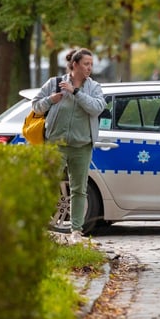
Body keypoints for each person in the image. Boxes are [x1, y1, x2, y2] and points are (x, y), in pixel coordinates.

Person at [31, 48, 106, 244]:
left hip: (82, 145)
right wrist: (51, 100)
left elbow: (97, 108)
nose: (89, 68)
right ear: (74, 65)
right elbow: (36, 105)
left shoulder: (94, 87)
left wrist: (76, 93)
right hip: (56, 144)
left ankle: (76, 231)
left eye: (91, 64)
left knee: (79, 189)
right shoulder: (54, 83)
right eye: (86, 64)